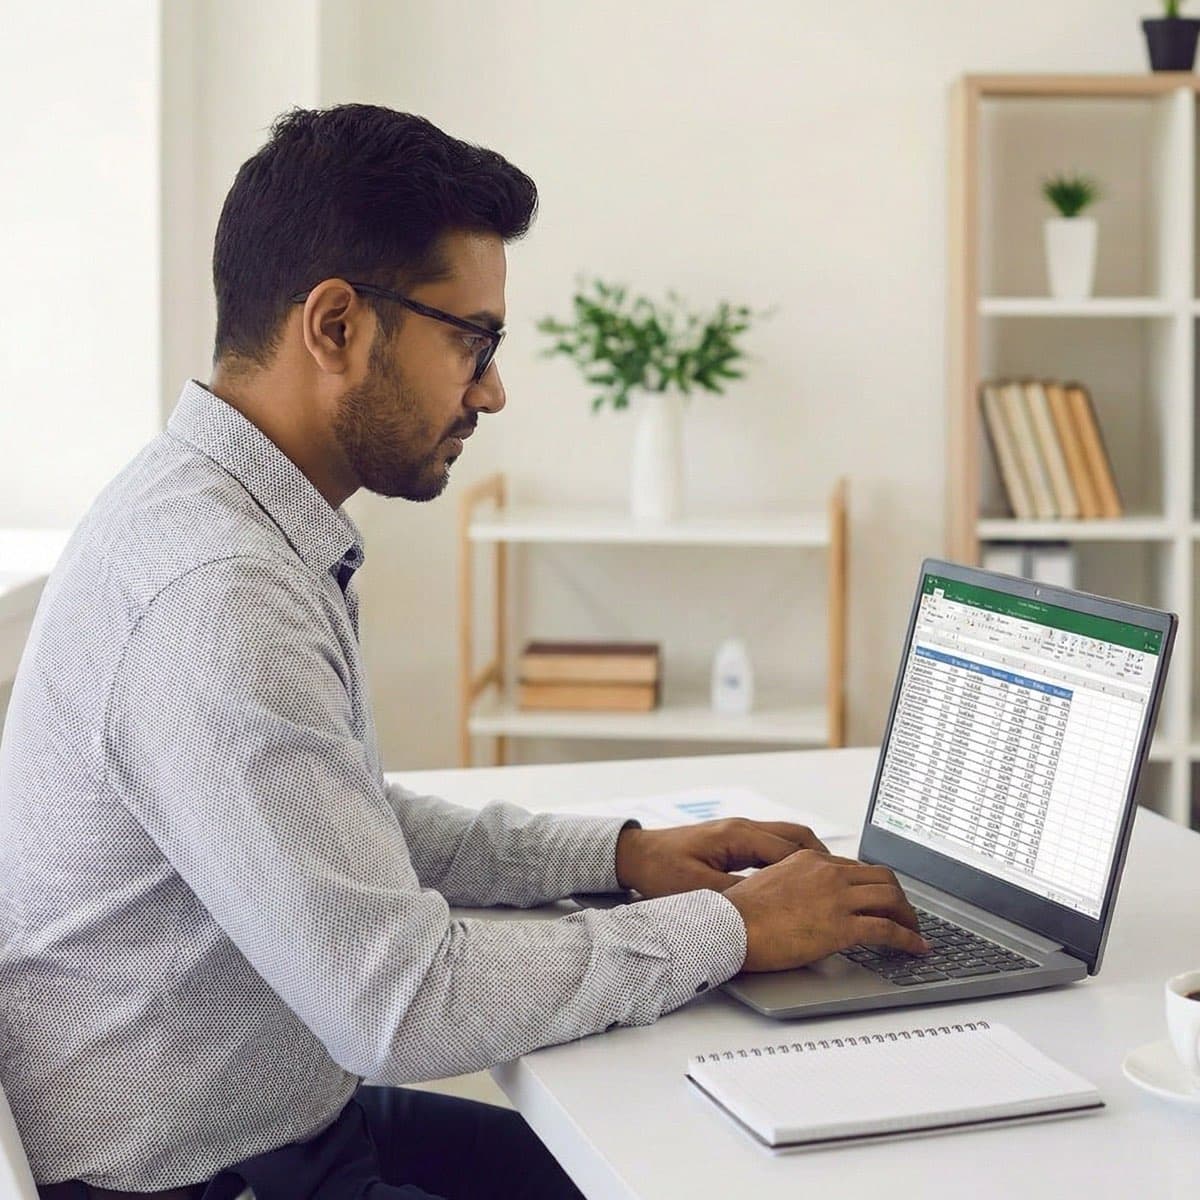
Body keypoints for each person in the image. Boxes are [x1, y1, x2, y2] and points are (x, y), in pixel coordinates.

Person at [0, 104, 928, 1200]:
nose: (491, 389)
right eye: (472, 341)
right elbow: (398, 1004)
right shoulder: (215, 592)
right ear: (336, 326)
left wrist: (622, 860)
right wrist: (730, 926)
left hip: (276, 1126)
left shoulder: (219, 516)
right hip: (203, 1176)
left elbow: (342, 826)